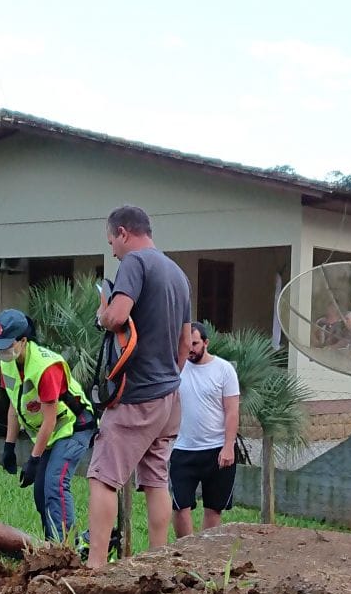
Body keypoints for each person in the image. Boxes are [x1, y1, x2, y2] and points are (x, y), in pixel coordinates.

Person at [86, 205, 192, 568]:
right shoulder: (177, 272)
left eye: (112, 241)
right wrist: (168, 378)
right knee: (156, 479)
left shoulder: (135, 263)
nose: (112, 250)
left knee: (103, 476)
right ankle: (157, 562)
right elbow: (184, 342)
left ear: (123, 233)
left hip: (136, 394)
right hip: (168, 395)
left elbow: (116, 316)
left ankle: (95, 566)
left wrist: (103, 315)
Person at [0, 309, 96, 541]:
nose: (2, 351)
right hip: (51, 433)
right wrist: (9, 447)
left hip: (73, 427)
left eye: (7, 344)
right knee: (40, 492)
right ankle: (51, 545)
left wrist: (33, 460)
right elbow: (15, 406)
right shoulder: (8, 363)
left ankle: (66, 548)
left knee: (55, 485)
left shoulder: (46, 367)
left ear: (23, 341)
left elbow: (50, 419)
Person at [171, 322, 240, 538]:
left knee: (213, 508)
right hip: (182, 449)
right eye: (186, 343)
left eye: (195, 343)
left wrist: (228, 446)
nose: (190, 348)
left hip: (217, 450)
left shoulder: (224, 370)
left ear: (206, 343)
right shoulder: (176, 367)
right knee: (179, 505)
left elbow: (231, 411)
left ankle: (205, 556)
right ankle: (184, 553)